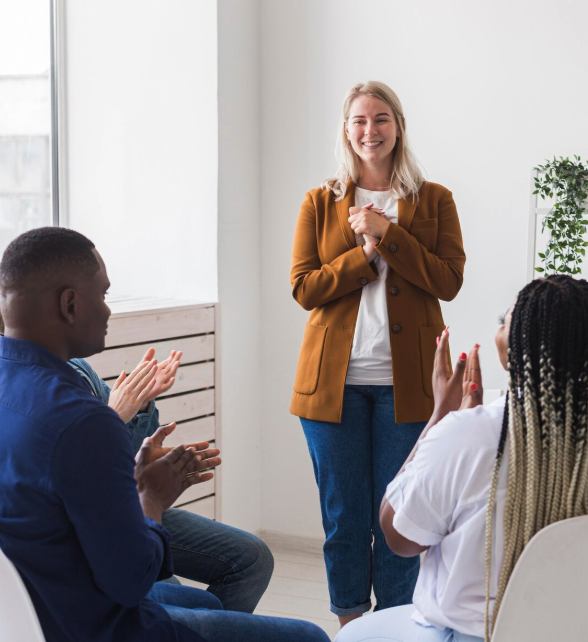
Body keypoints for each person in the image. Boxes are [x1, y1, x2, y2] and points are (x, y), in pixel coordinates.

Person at [0, 227, 328, 642]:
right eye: (102, 296)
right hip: (90, 624)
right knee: (310, 636)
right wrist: (150, 498)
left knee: (211, 602)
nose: (107, 311)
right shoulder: (81, 419)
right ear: (69, 304)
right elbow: (131, 582)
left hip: (30, 608)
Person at [337, 276, 588, 642]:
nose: (498, 327)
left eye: (504, 320)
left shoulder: (471, 435)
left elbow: (399, 538)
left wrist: (440, 417)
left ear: (515, 345)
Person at [290, 81, 466, 626]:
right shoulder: (320, 201)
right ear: (346, 130)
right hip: (332, 389)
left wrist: (389, 234)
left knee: (401, 517)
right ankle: (350, 627)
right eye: (360, 120)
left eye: (382, 118)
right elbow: (304, 288)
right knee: (344, 519)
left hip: (408, 387)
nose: (371, 130)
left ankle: (394, 627)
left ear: (398, 126)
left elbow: (449, 280)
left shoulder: (434, 199)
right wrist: (365, 253)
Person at [68, 354, 274, 613]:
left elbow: (128, 452)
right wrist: (113, 418)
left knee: (253, 558)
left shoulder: (78, 369)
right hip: (87, 528)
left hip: (122, 507)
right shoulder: (22, 386)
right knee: (189, 598)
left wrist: (140, 407)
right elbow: (62, 479)